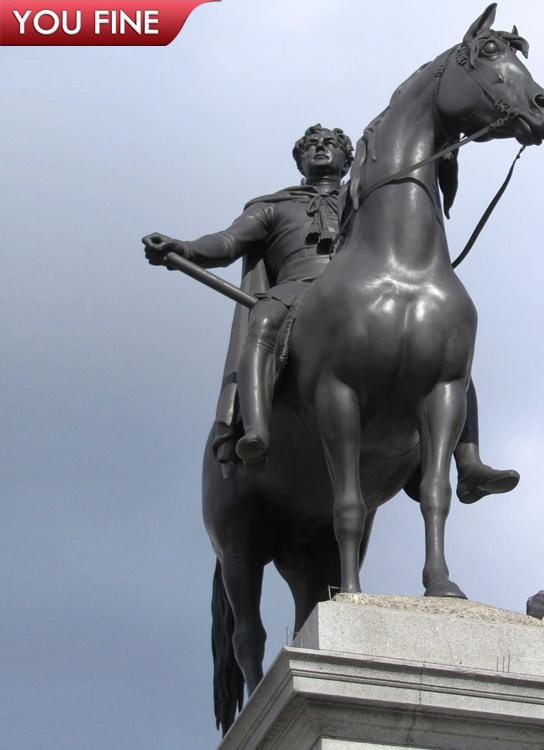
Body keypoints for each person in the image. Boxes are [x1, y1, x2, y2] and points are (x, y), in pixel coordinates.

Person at [143, 124, 518, 500]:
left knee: (443, 351)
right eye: (311, 146)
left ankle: (469, 462)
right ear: (300, 160)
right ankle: (256, 429)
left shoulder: (366, 197)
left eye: (330, 145)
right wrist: (184, 248)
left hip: (362, 290)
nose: (320, 150)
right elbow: (228, 242)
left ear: (347, 158)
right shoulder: (273, 205)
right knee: (263, 322)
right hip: (296, 290)